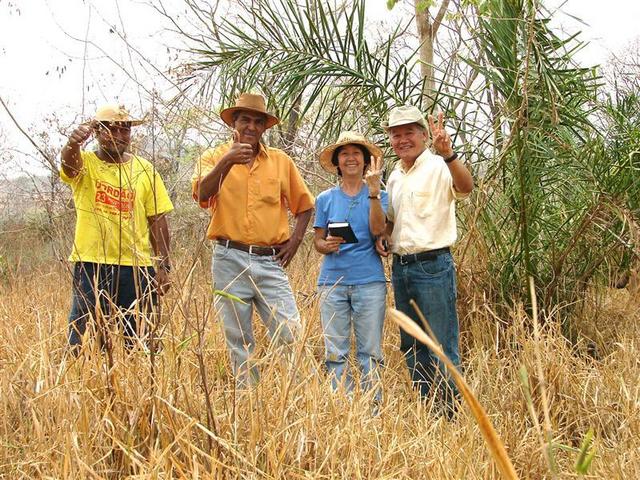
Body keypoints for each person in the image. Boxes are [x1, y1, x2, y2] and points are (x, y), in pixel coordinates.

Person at [192, 92, 314, 386]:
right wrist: (227, 161)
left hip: (269, 260)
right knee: (238, 339)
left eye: (257, 122)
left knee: (290, 333)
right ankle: (248, 404)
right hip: (228, 259)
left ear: (264, 128)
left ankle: (299, 400)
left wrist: (295, 242)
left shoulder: (280, 161)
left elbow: (305, 205)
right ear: (233, 123)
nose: (250, 126)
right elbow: (202, 194)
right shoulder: (212, 156)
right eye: (244, 119)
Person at [377, 105, 474, 415]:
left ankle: (449, 415)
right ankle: (427, 408)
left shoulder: (439, 165)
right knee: (412, 344)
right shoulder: (393, 176)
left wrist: (449, 154)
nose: (402, 140)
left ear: (424, 135)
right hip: (401, 268)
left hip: (433, 267)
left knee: (441, 345)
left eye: (409, 133)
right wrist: (384, 236)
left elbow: (465, 187)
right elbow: (393, 220)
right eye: (396, 135)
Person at [60, 104, 173, 351]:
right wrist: (73, 143)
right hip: (91, 264)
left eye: (124, 130)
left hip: (137, 267)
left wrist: (163, 265)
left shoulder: (145, 169)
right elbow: (69, 168)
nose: (118, 136)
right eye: (110, 129)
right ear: (97, 132)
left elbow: (157, 219)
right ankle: (78, 382)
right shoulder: (86, 163)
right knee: (82, 333)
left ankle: (141, 386)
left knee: (141, 339)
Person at [313, 132, 388, 403]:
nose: (351, 158)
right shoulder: (325, 199)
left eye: (356, 153)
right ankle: (339, 408)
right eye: (344, 154)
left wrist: (374, 193)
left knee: (370, 352)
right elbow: (317, 241)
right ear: (337, 162)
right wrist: (327, 245)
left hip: (369, 282)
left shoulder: (380, 195)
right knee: (335, 351)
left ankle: (373, 409)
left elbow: (379, 230)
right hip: (331, 283)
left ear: (366, 161)